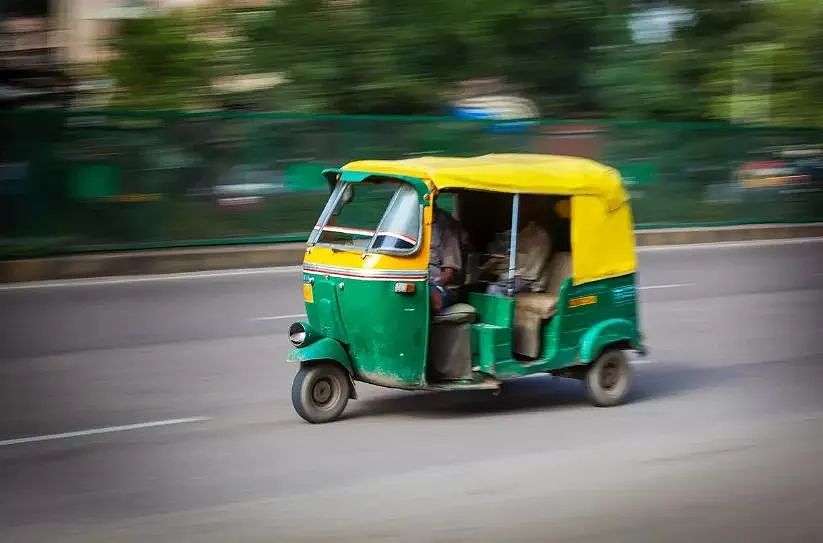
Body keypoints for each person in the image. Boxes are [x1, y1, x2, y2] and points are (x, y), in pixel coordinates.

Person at [483, 200, 552, 295]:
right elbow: (510, 260)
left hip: (529, 282)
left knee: (494, 289)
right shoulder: (519, 233)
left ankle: (503, 310)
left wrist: (505, 275)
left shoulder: (539, 235)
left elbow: (531, 274)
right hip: (514, 277)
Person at [429, 203, 464, 313]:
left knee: (426, 297)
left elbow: (449, 272)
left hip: (442, 286)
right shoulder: (413, 221)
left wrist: (433, 284)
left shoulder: (446, 225)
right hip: (419, 281)